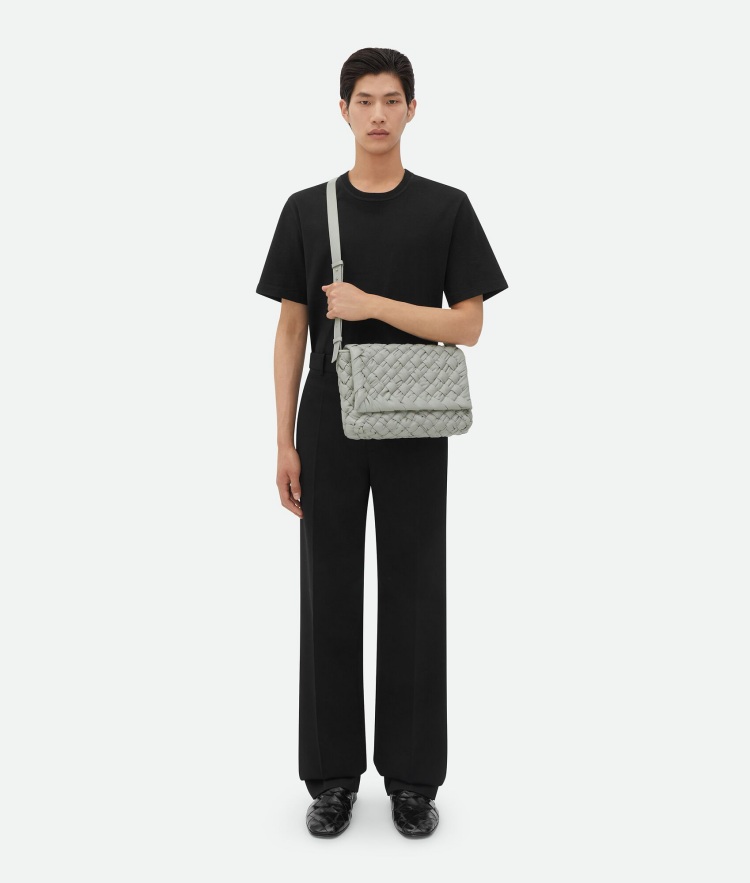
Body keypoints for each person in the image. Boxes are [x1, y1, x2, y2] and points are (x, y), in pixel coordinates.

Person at [256, 47, 508, 838]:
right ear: (342, 110)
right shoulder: (307, 209)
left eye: (391, 100)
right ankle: (331, 778)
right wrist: (283, 440)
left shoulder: (446, 208)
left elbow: (468, 324)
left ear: (411, 110)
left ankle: (412, 780)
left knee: (414, 592)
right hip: (328, 420)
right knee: (327, 592)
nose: (376, 114)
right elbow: (291, 329)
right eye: (363, 100)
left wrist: (372, 304)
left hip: (415, 420)